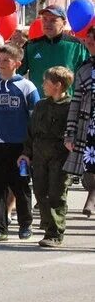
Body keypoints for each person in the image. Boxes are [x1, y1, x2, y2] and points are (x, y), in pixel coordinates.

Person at [0, 43, 39, 242]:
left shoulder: (27, 87)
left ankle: (25, 224)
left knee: (20, 186)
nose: (1, 63)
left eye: (6, 60)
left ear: (17, 64)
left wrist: (30, 148)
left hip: (20, 146)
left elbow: (34, 119)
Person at [25, 66, 74, 248]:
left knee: (56, 194)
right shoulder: (41, 105)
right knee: (40, 192)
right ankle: (48, 222)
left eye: (46, 82)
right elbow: (31, 131)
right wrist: (26, 153)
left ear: (58, 85)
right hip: (39, 156)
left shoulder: (70, 107)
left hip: (59, 157)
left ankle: (54, 233)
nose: (42, 85)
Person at [65, 27, 95, 216]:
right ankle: (92, 192)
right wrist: (70, 132)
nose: (90, 41)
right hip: (89, 125)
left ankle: (92, 197)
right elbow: (75, 103)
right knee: (89, 166)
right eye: (88, 38)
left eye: (94, 38)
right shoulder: (84, 68)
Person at [22, 4, 86, 88]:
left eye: (53, 20)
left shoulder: (77, 46)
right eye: (44, 19)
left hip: (68, 100)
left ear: (64, 23)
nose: (47, 24)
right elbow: (15, 71)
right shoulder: (31, 46)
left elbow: (87, 75)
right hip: (38, 100)